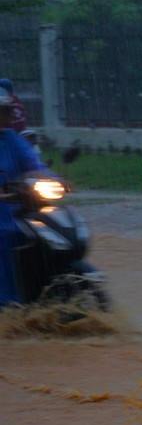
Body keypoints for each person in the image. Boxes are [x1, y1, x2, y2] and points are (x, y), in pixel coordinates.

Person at [0, 95, 55, 308]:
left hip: (20, 207)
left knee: (44, 229)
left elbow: (34, 164)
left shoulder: (13, 139)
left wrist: (54, 180)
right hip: (4, 215)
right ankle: (7, 302)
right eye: (1, 112)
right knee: (7, 235)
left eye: (6, 112)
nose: (5, 117)